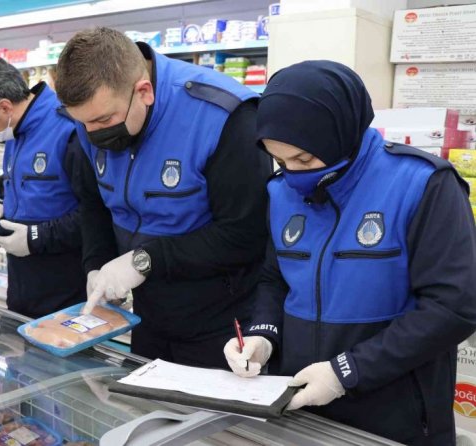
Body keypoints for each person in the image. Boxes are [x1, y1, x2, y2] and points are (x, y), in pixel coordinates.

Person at [223, 60, 476, 445]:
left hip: (396, 416)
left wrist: (347, 372)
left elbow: (455, 307)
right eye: (280, 161)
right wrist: (263, 335)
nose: (293, 174)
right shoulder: (280, 192)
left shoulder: (424, 185)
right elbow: (275, 278)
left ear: (340, 135)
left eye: (303, 160)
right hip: (301, 406)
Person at [55, 27, 272, 369]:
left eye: (103, 120)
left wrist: (145, 260)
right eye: (82, 124)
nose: (92, 135)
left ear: (144, 91)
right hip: (148, 315)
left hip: (220, 321)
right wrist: (96, 265)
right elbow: (93, 203)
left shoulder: (223, 117)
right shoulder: (91, 120)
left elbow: (245, 235)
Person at [0, 57, 86, 318]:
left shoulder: (69, 129)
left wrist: (35, 238)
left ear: (4, 107)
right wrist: (0, 205)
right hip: (22, 284)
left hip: (65, 288)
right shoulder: (14, 131)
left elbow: (94, 213)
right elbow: (31, 192)